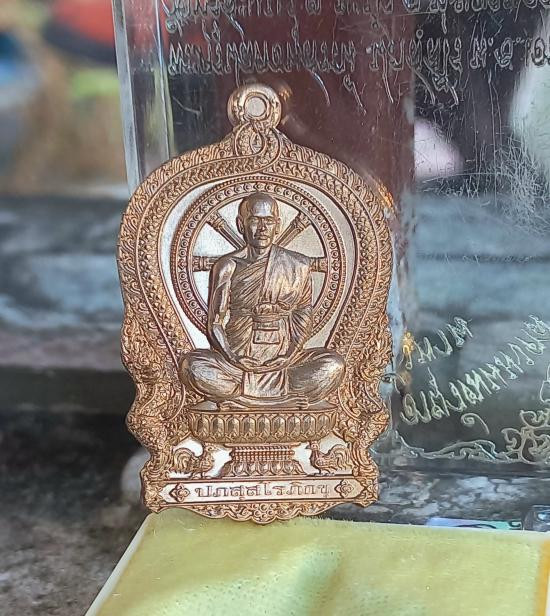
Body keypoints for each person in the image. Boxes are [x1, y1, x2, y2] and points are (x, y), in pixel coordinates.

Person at [180, 192, 345, 409]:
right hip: (238, 364)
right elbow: (216, 323)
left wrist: (289, 355)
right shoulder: (228, 266)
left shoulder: (298, 265)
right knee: (192, 367)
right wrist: (233, 358)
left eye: (268, 221)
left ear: (278, 225)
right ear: (241, 225)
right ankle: (274, 401)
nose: (262, 228)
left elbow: (303, 315)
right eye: (255, 220)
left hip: (285, 363)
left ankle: (242, 400)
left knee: (333, 366)